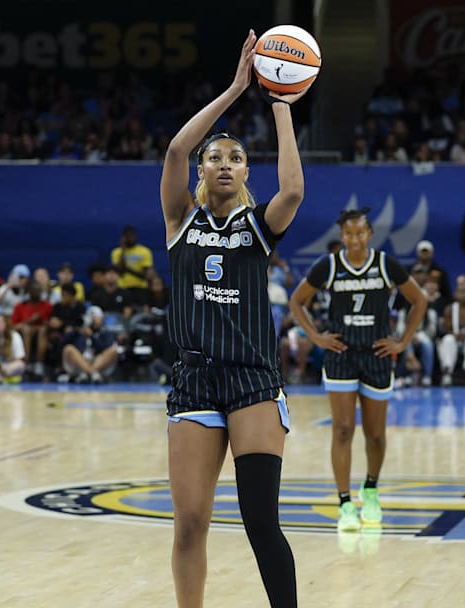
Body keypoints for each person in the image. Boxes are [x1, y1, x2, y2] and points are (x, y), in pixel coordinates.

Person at [160, 30, 308, 608]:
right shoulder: (180, 222)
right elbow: (175, 150)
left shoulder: (257, 229)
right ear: (204, 169)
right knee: (190, 523)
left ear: (247, 173)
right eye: (216, 157)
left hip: (252, 381)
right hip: (194, 379)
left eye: (236, 158)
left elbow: (293, 189)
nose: (225, 163)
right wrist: (234, 89)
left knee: (260, 523)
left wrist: (279, 103)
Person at [287, 208, 426, 533]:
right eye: (348, 234)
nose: (354, 239)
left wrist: (403, 341)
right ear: (343, 236)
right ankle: (345, 503)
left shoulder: (385, 264)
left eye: (360, 233)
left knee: (375, 433)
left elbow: (419, 300)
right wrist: (316, 336)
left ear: (369, 235)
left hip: (377, 353)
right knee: (343, 429)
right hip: (342, 355)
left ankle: (371, 489)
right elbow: (297, 302)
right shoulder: (330, 266)